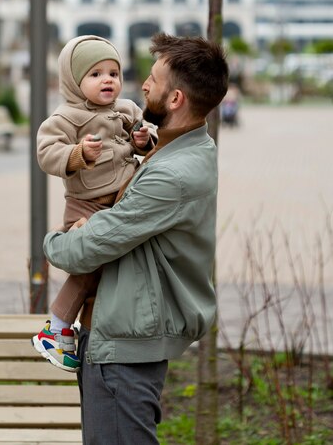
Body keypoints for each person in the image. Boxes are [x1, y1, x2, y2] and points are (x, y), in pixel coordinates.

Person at [43, 34, 229, 445]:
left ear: (176, 98)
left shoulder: (171, 174)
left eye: (154, 79)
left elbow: (87, 248)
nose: (142, 85)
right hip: (119, 333)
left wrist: (53, 242)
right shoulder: (180, 148)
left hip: (123, 346)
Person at [32, 35, 157, 371]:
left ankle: (81, 328)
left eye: (113, 73)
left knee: (107, 270)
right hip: (85, 206)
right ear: (74, 81)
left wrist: (142, 141)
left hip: (120, 202)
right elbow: (46, 153)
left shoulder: (127, 110)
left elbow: (145, 139)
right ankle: (56, 329)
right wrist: (78, 153)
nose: (107, 80)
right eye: (96, 74)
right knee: (90, 267)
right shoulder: (66, 118)